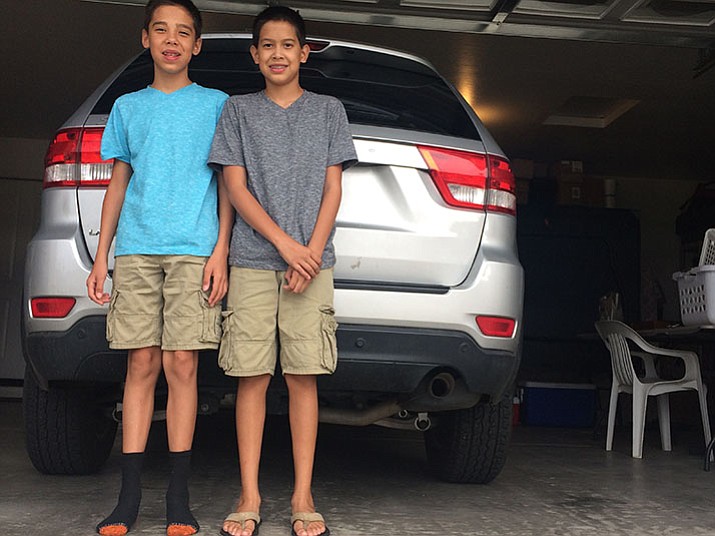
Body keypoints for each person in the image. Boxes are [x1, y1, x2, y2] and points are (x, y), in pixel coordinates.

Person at [208, 6, 357, 536]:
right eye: (267, 45)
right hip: (251, 260)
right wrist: (286, 247)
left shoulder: (328, 111)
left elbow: (333, 186)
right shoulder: (238, 111)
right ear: (255, 54)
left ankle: (302, 494)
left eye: (287, 44)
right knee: (250, 379)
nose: (277, 53)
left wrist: (309, 253)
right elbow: (235, 187)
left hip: (310, 265)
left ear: (303, 52)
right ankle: (248, 493)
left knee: (303, 378)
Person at [85, 1, 232, 535]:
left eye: (184, 33)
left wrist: (221, 251)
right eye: (162, 30)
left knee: (183, 367)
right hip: (137, 250)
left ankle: (178, 499)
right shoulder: (128, 107)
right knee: (140, 366)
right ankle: (127, 500)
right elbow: (118, 182)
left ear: (197, 46)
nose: (172, 40)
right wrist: (102, 255)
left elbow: (228, 185)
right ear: (145, 38)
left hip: (194, 250)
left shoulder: (218, 105)